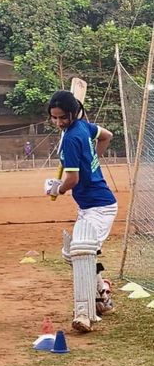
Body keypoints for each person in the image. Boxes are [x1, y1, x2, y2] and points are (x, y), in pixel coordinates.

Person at [45, 90, 117, 333]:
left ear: (74, 113)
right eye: (54, 118)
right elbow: (107, 136)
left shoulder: (73, 137)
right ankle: (102, 293)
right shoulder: (84, 128)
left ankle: (85, 313)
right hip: (88, 206)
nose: (58, 123)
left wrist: (58, 187)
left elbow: (73, 179)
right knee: (72, 254)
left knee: (81, 253)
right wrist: (93, 160)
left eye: (63, 118)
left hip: (101, 206)